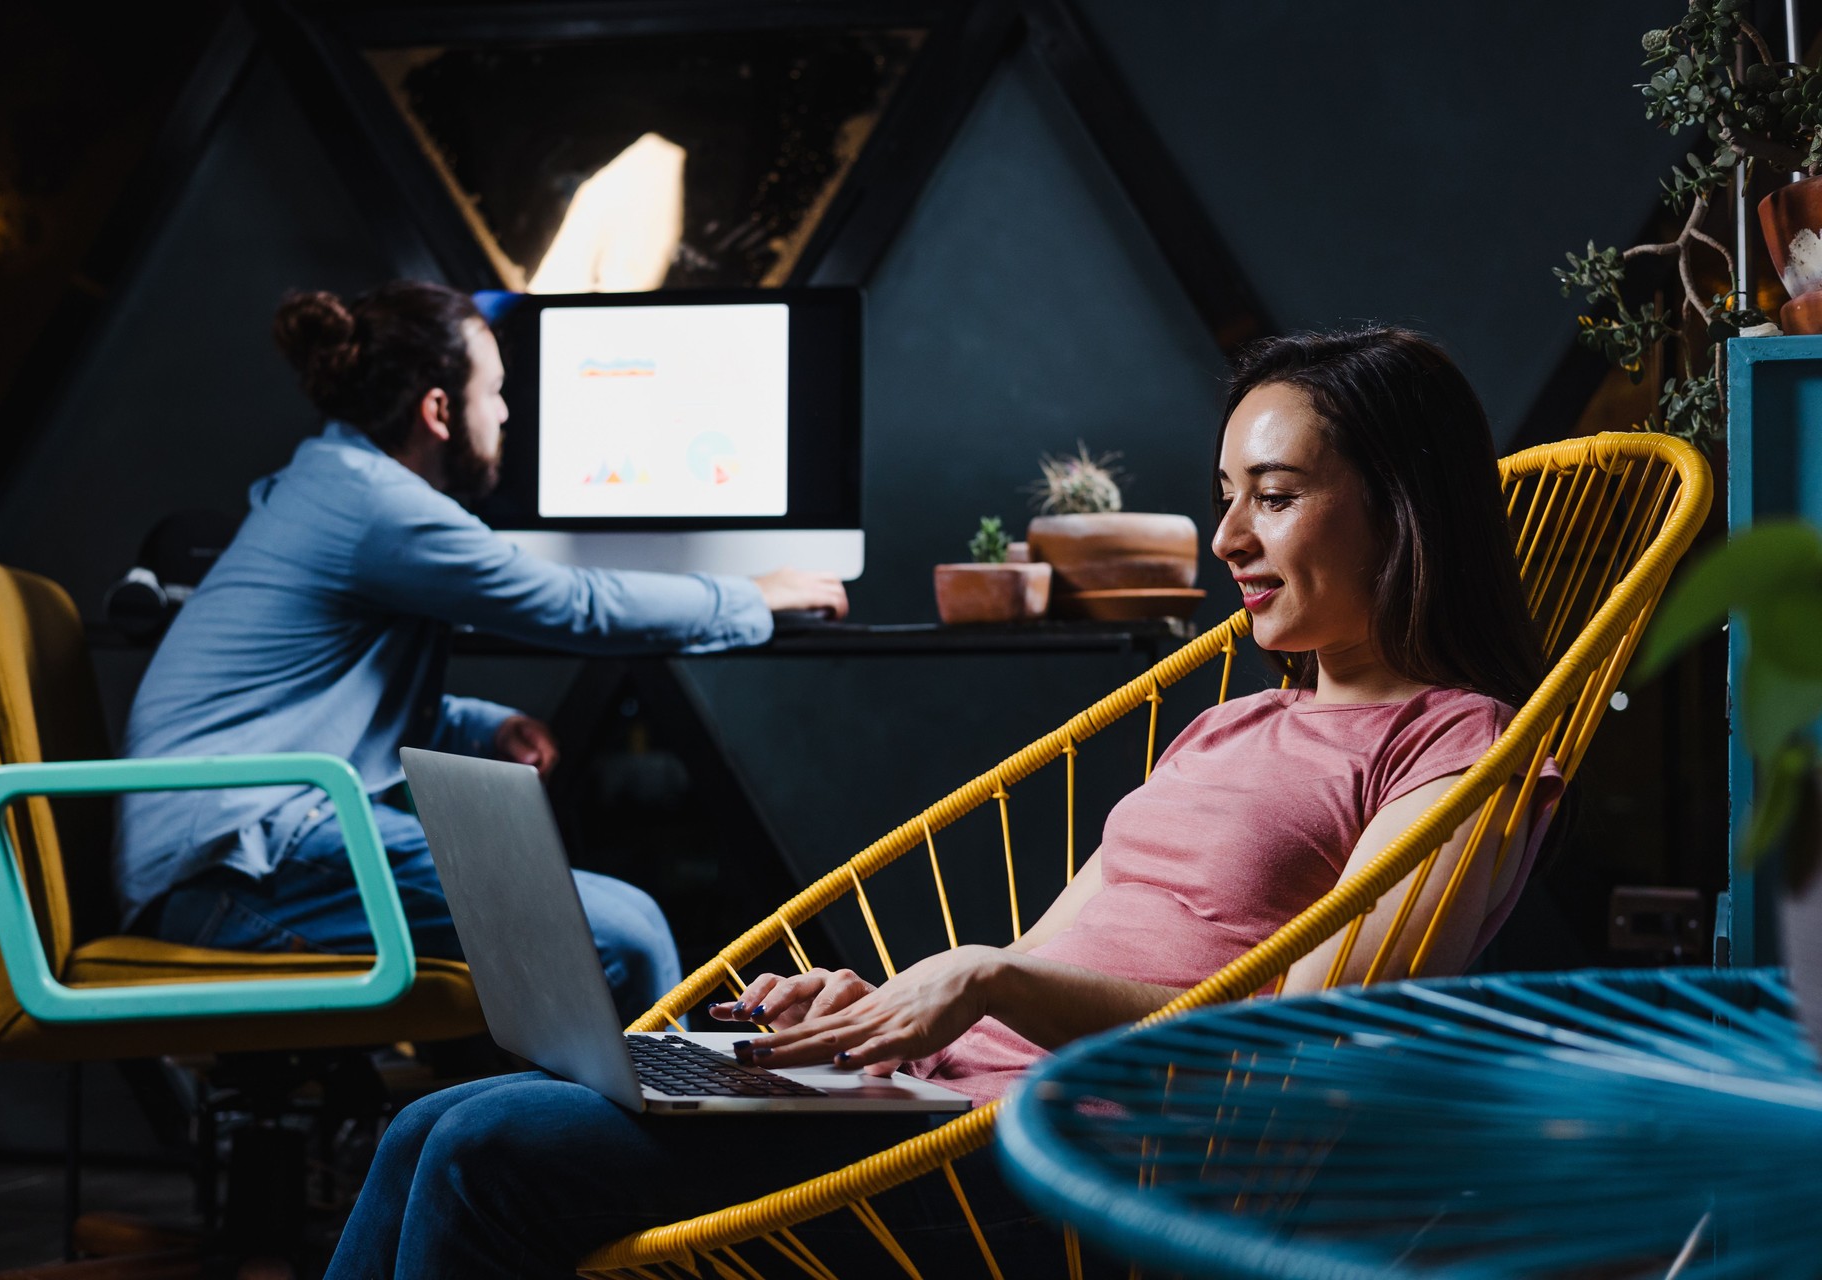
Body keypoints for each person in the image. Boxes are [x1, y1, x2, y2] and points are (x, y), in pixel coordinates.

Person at [322, 326, 1565, 1279]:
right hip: (934, 1098)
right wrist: (891, 1010)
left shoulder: (1463, 749)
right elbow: (1046, 958)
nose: (1228, 534)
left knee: (494, 1153)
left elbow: (1298, 1048)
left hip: (1069, 1162)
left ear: (1404, 509)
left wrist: (989, 982)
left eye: (1277, 495)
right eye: (1227, 491)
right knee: (436, 1115)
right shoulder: (1233, 717)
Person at [114, 280, 848, 1022]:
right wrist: (753, 594)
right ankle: (657, 1140)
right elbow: (577, 606)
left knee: (612, 932)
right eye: (493, 392)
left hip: (240, 849)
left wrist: (478, 725)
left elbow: (321, 692)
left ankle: (589, 1133)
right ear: (437, 411)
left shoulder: (338, 484)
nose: (504, 413)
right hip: (236, 869)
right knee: (625, 936)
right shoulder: (376, 506)